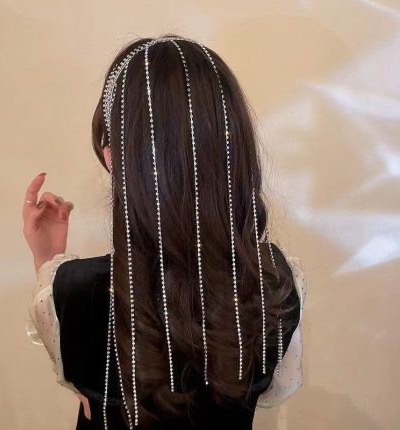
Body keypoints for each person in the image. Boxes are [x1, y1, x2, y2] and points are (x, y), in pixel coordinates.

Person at [23, 34, 307, 430]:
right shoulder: (274, 282)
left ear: (114, 158)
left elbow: (80, 380)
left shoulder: (73, 291)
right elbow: (277, 389)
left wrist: (47, 260)